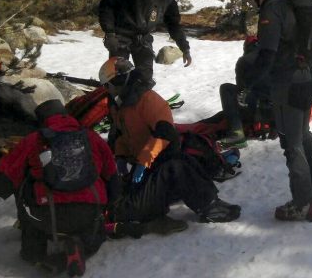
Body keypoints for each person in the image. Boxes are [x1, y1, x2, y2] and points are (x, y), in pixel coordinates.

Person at [233, 0, 312, 222]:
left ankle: (302, 203)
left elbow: (267, 55)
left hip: (289, 83)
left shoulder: (270, 9)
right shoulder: (284, 2)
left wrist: (248, 85)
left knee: (291, 143)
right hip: (308, 76)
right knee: (304, 135)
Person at [99, 57, 240, 226]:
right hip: (136, 185)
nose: (107, 91)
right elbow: (122, 134)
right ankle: (205, 203)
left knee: (180, 164)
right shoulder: (120, 106)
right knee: (177, 167)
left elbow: (165, 133)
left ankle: (209, 204)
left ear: (118, 81)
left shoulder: (147, 100)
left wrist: (142, 162)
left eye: (108, 85)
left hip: (153, 164)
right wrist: (122, 158)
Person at [0, 99, 120, 277]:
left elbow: (2, 184)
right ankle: (80, 244)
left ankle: (33, 252)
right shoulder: (92, 137)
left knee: (23, 184)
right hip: (90, 212)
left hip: (47, 215)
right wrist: (106, 208)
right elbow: (113, 178)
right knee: (94, 228)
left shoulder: (33, 140)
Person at [98, 0, 192, 87]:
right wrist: (110, 33)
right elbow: (106, 6)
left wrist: (185, 48)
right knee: (118, 77)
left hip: (143, 39)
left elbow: (174, 24)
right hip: (120, 37)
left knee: (145, 78)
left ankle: (140, 103)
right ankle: (115, 103)